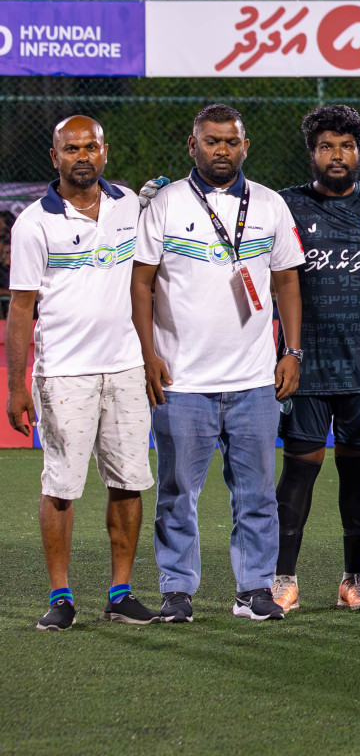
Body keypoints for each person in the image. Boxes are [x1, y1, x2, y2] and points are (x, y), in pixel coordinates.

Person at [131, 104, 306, 623]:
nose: (221, 150)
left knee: (256, 495)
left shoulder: (271, 204)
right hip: (181, 380)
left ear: (245, 146)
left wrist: (290, 351)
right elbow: (141, 282)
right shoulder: (163, 204)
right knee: (177, 493)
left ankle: (253, 589)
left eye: (230, 141)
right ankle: (177, 591)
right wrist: (148, 355)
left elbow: (288, 282)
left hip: (254, 379)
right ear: (193, 146)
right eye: (211, 141)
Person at [6, 116, 157, 630]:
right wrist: (16, 386)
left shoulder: (128, 204)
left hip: (125, 367)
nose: (82, 156)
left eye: (90, 146)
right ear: (55, 157)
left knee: (129, 482)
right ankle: (61, 595)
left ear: (105, 152)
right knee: (62, 486)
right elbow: (21, 309)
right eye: (71, 149)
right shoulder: (33, 223)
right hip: (64, 374)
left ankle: (120, 592)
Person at [271, 105, 360, 614]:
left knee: (357, 472)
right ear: (312, 153)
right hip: (307, 366)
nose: (336, 155)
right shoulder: (286, 206)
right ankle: (282, 576)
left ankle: (353, 579)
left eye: (346, 146)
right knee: (299, 471)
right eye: (326, 146)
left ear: (359, 151)